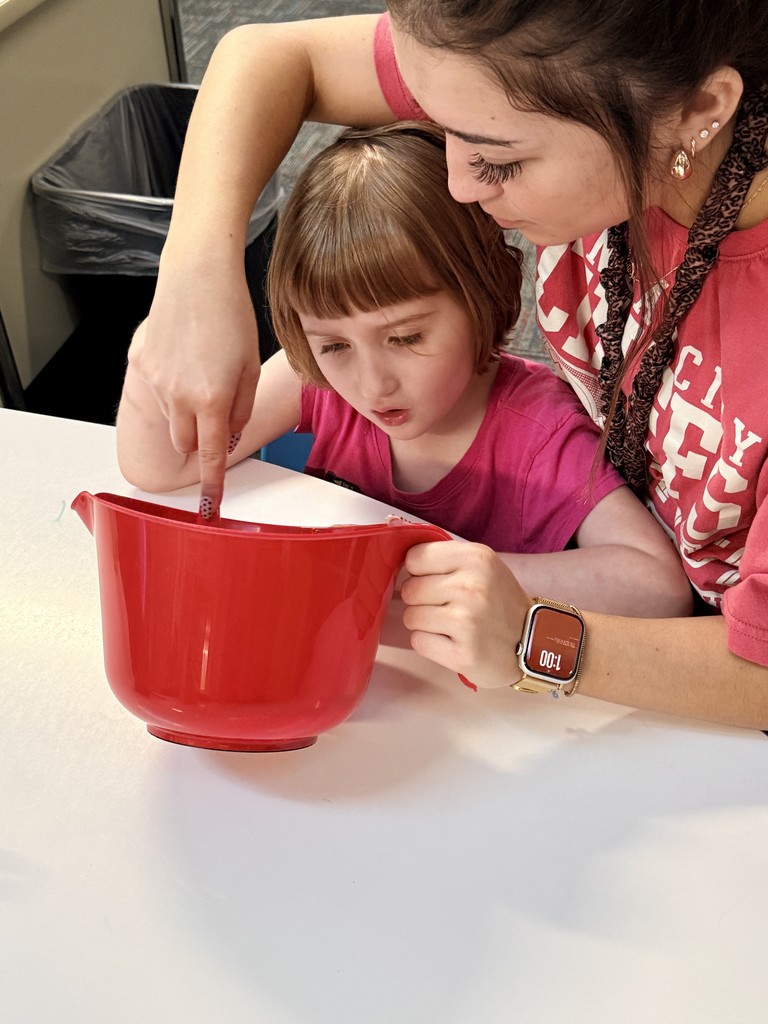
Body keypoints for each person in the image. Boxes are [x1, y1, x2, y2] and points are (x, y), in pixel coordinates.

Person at [125, 1, 768, 727]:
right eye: (437, 122)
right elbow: (267, 56)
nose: (459, 185)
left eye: (501, 159)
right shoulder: (563, 71)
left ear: (698, 109)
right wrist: (192, 273)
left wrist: (534, 639)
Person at [117, 122, 691, 620]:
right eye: (335, 345)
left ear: (484, 297)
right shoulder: (317, 383)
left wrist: (456, 574)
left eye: (406, 337)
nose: (372, 384)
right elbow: (160, 465)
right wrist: (163, 333)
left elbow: (656, 586)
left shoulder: (538, 429)